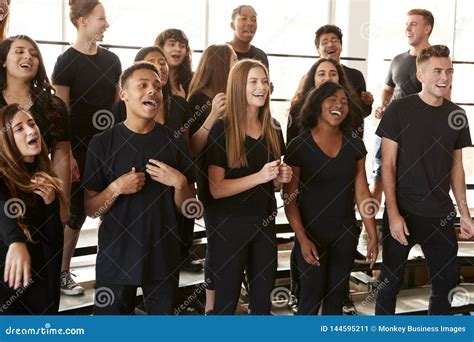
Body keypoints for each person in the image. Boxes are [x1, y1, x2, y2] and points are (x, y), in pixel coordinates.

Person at [83, 62, 195, 315]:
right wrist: (115, 188)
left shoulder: (175, 141)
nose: (152, 91)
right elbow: (91, 209)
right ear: (123, 94)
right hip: (116, 259)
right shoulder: (102, 143)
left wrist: (179, 183)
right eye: (142, 85)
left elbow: (191, 209)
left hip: (163, 258)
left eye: (157, 87)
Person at [375, 45, 473, 315]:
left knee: (444, 286)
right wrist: (393, 214)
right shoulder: (399, 110)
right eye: (438, 71)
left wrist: (464, 213)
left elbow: (457, 170)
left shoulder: (457, 115)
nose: (445, 77)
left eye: (449, 71)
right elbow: (388, 165)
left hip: (440, 213)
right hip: (403, 212)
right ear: (420, 74)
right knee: (389, 284)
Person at [283, 82, 378, 315]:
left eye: (344, 101)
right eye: (332, 99)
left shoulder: (355, 146)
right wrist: (302, 239)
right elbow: (289, 199)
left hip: (344, 236)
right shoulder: (298, 146)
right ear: (317, 104)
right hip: (311, 237)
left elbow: (362, 193)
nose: (339, 105)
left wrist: (372, 234)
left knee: (335, 302)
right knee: (309, 301)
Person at [206, 59, 291, 315]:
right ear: (238, 86)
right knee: (225, 305)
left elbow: (273, 184)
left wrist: (279, 178)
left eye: (264, 81)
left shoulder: (274, 128)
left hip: (263, 225)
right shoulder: (222, 127)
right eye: (253, 81)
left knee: (262, 305)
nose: (261, 87)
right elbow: (216, 189)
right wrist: (260, 176)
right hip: (229, 228)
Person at [52, 0, 121, 296]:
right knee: (75, 213)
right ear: (82, 21)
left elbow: (118, 106)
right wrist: (67, 155)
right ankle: (62, 272)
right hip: (77, 148)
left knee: (112, 206)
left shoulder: (112, 61)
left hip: (109, 146)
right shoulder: (65, 62)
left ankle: (110, 268)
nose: (106, 24)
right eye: (100, 19)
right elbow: (60, 113)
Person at [0, 35, 72, 309]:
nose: (28, 57)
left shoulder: (52, 105)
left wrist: (60, 201)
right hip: (4, 195)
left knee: (44, 284)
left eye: (33, 53)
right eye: (19, 51)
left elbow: (63, 154)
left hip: (42, 195)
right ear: (3, 61)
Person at [0, 104, 68, 314]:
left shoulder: (45, 179)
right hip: (9, 291)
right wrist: (16, 240)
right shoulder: (3, 178)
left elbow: (55, 240)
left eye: (32, 124)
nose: (31, 131)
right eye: (19, 128)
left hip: (41, 288)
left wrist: (50, 204)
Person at [187, 44, 238, 314]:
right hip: (211, 178)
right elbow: (192, 147)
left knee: (225, 245)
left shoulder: (231, 95)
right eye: (233, 60)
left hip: (235, 178)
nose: (237, 64)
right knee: (217, 246)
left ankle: (225, 298)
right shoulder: (198, 99)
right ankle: (211, 306)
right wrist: (213, 115)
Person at [371, 9, 434, 206]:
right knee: (379, 178)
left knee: (409, 181)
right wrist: (382, 106)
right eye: (406, 24)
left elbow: (443, 99)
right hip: (390, 130)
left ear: (427, 28)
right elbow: (388, 90)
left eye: (413, 24)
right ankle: (370, 232)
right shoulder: (397, 60)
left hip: (417, 135)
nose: (407, 28)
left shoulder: (435, 61)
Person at [286, 57, 365, 143]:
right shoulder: (297, 110)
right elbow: (291, 149)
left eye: (333, 74)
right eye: (321, 74)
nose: (327, 78)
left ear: (339, 79)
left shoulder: (354, 110)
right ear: (313, 79)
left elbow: (357, 149)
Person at [228, 5, 269, 70]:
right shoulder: (220, 54)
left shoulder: (261, 56)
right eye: (243, 18)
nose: (250, 23)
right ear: (232, 25)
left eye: (254, 20)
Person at [155, 29, 193, 97]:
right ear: (160, 48)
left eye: (182, 46)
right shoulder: (152, 79)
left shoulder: (193, 80)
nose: (178, 49)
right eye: (172, 44)